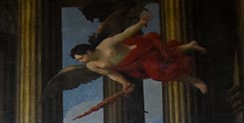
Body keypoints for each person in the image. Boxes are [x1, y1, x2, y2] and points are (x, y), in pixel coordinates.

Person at [70, 9, 207, 95]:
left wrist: (141, 23)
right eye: (78, 60)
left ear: (88, 51)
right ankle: (190, 48)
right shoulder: (91, 66)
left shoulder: (105, 45)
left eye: (81, 58)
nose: (81, 61)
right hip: (133, 67)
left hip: (139, 52)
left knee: (161, 68)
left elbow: (125, 34)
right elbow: (111, 74)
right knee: (164, 61)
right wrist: (124, 83)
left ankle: (193, 80)